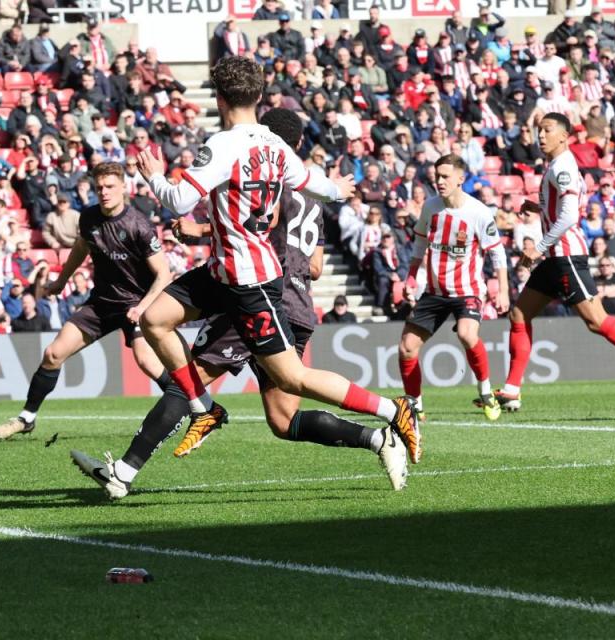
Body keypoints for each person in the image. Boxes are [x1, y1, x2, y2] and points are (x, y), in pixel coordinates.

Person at [70, 109, 408, 498]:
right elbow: (314, 265)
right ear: (297, 144)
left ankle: (125, 472)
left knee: (192, 384)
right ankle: (380, 440)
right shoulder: (300, 183)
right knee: (283, 420)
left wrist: (197, 228)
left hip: (253, 291)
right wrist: (334, 188)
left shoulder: (264, 175)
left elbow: (246, 227)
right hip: (289, 297)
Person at [134, 56, 422, 465]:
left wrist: (154, 178)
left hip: (252, 280)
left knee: (292, 378)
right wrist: (337, 188)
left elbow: (180, 200)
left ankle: (393, 411)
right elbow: (315, 186)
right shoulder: (276, 147)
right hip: (228, 272)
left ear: (219, 98)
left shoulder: (222, 144)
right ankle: (204, 409)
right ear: (259, 95)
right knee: (154, 319)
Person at [0, 162, 172, 440]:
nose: (104, 192)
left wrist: (143, 307)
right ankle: (27, 418)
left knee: (146, 361)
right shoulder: (88, 218)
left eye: (110, 186)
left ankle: (187, 407)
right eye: (99, 187)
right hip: (101, 303)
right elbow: (80, 249)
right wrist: (61, 281)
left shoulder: (140, 225)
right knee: (53, 354)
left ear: (124, 187)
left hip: (136, 304)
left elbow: (163, 275)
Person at [494, 113, 615, 411]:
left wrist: (539, 246)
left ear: (564, 136)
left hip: (565, 256)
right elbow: (565, 207)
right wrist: (540, 207)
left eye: (547, 130)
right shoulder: (558, 165)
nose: (541, 136)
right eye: (538, 131)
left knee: (596, 321)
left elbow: (570, 216)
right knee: (519, 315)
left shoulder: (563, 167)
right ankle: (512, 389)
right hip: (554, 258)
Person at [397, 155, 509, 423]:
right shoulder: (430, 207)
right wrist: (410, 277)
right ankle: (415, 405)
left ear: (461, 179)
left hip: (467, 291)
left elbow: (497, 253)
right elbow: (419, 246)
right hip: (434, 292)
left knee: (467, 335)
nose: (440, 181)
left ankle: (485, 392)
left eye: (446, 176)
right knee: (406, 347)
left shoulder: (479, 212)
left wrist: (503, 290)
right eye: (438, 176)